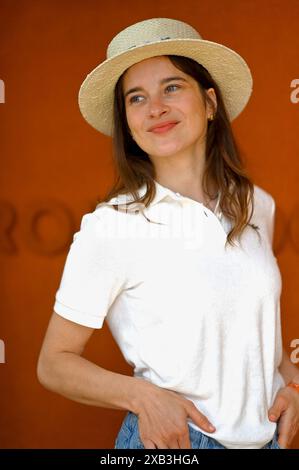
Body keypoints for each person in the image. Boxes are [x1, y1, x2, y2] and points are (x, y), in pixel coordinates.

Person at [37, 17, 299, 449]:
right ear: (128, 121)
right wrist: (142, 396)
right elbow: (53, 364)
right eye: (136, 98)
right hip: (178, 443)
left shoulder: (255, 205)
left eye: (172, 87)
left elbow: (252, 330)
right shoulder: (113, 226)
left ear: (210, 102)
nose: (154, 108)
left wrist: (289, 386)